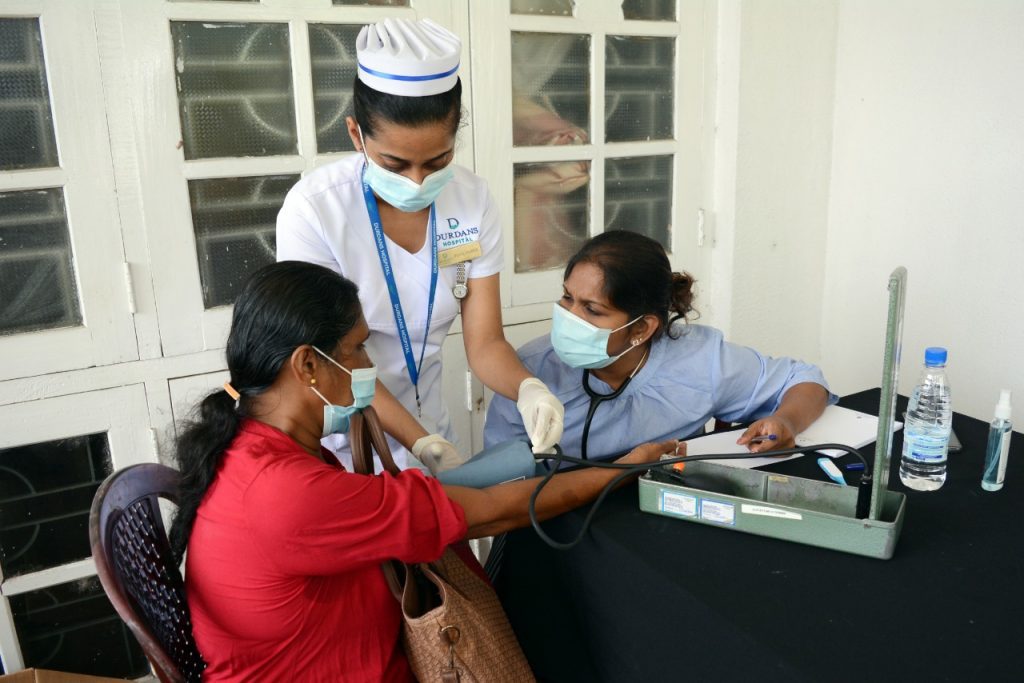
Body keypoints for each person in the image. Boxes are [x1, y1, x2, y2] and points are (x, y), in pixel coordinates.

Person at [169, 261, 673, 681]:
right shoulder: (288, 490)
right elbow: (493, 513)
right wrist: (621, 471)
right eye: (357, 349)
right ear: (307, 367)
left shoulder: (250, 447)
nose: (367, 365)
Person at [276, 18, 562, 472]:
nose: (417, 180)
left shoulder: (471, 201)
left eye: (437, 160)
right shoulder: (315, 211)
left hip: (431, 424)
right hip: (342, 443)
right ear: (356, 135)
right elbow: (333, 362)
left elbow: (485, 342)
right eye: (395, 162)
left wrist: (530, 389)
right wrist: (419, 441)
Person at [485, 231, 836, 459]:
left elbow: (804, 380)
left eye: (591, 309)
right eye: (567, 298)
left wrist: (785, 421)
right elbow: (500, 486)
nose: (568, 317)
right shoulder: (528, 373)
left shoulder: (699, 359)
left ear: (642, 328)